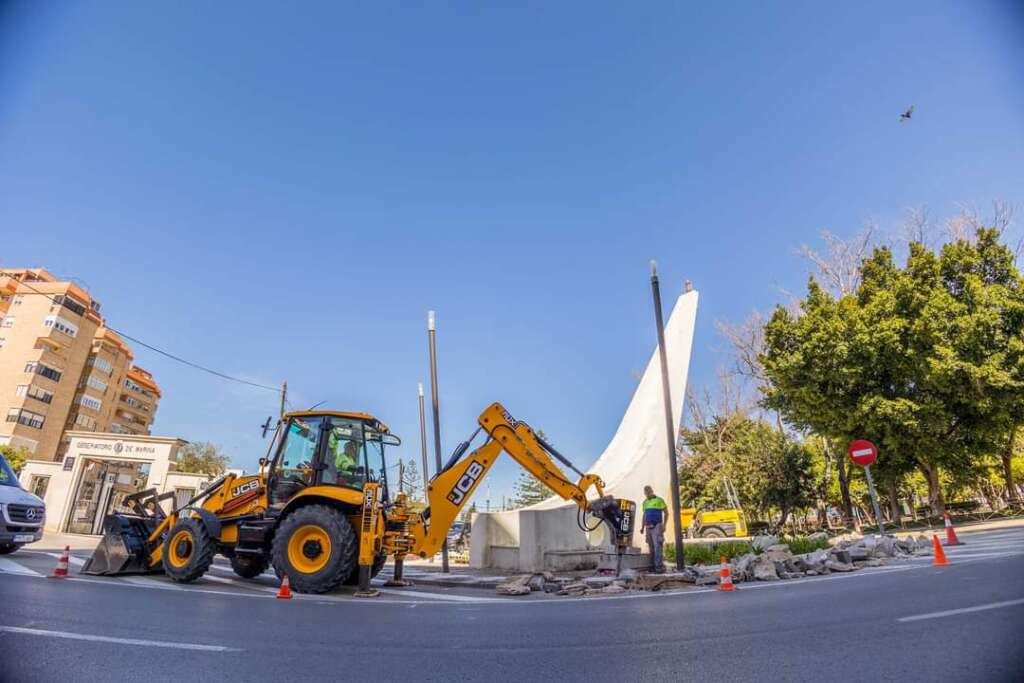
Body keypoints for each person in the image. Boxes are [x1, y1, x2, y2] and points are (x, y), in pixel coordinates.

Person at [642, 485, 668, 573]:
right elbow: (644, 515)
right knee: (651, 547)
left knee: (658, 547)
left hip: (657, 526)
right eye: (645, 493)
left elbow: (666, 513)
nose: (647, 494)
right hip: (648, 527)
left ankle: (659, 567)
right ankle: (652, 566)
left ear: (652, 491)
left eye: (648, 492)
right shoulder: (645, 502)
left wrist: (664, 525)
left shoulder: (659, 500)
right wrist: (642, 527)